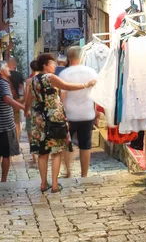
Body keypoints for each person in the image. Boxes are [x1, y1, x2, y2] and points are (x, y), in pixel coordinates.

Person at [25, 53, 97, 194]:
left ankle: (44, 183)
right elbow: (67, 87)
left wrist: (27, 111)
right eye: (52, 63)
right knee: (56, 151)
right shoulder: (51, 78)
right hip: (53, 118)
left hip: (39, 118)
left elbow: (28, 100)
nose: (55, 66)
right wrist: (86, 84)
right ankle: (55, 185)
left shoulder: (33, 81)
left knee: (42, 153)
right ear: (45, 65)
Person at [60, 46, 98, 178]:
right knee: (85, 144)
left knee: (66, 143)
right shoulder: (91, 72)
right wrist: (96, 112)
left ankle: (68, 171)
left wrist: (63, 114)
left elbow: (63, 97)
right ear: (82, 56)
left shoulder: (64, 74)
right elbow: (96, 94)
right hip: (87, 112)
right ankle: (84, 174)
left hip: (70, 114)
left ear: (69, 58)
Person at [0, 61, 25, 183]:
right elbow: (7, 99)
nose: (9, 69)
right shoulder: (4, 84)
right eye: (7, 68)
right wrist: (22, 107)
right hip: (6, 125)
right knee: (6, 155)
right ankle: (3, 179)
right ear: (2, 71)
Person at [23, 60, 39, 164]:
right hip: (41, 109)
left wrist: (26, 109)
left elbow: (26, 97)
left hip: (31, 109)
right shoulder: (45, 78)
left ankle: (34, 156)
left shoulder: (29, 81)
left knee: (30, 133)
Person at [7, 57, 25, 141]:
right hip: (15, 100)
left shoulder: (5, 75)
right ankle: (17, 140)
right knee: (17, 121)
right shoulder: (18, 75)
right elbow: (22, 88)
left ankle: (9, 140)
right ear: (15, 65)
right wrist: (22, 100)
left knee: (7, 120)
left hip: (5, 100)